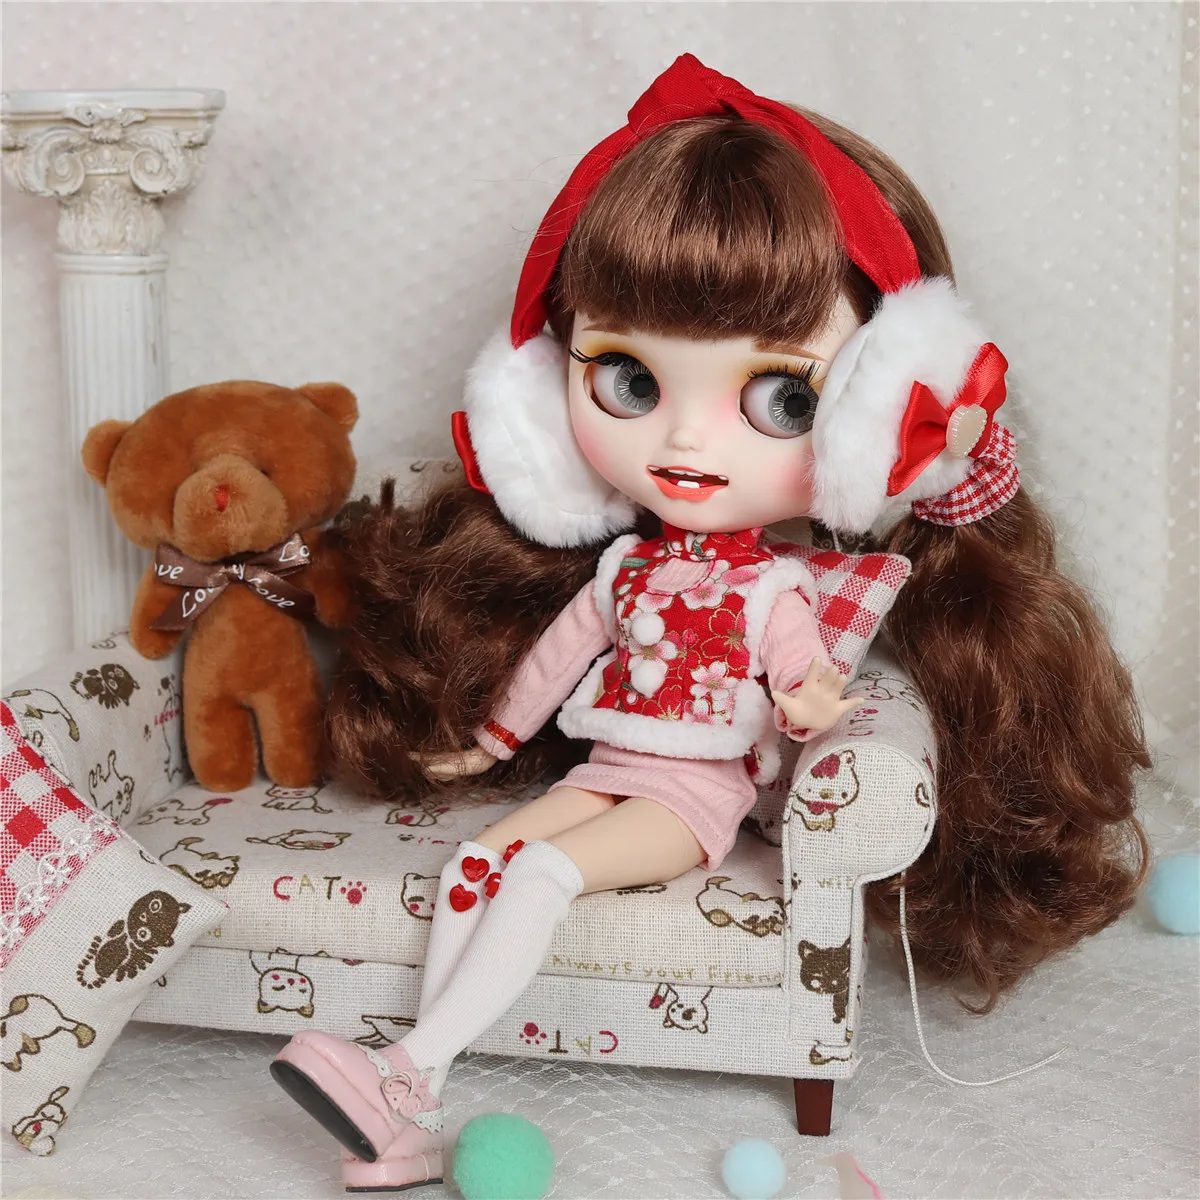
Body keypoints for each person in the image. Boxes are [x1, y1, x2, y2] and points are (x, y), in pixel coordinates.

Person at [270, 55, 1149, 1192]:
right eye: (629, 381)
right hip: (607, 766)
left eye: (784, 399)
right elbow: (555, 662)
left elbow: (802, 678)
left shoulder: (774, 588)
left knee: (539, 877)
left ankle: (406, 1070)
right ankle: (413, 1116)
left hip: (693, 798)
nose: (685, 443)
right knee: (480, 864)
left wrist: (814, 703)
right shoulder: (626, 566)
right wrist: (484, 747)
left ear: (878, 415)